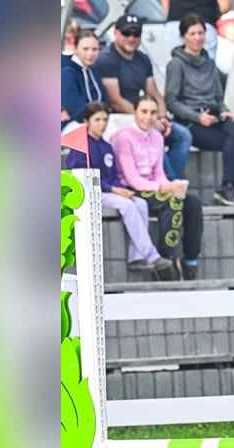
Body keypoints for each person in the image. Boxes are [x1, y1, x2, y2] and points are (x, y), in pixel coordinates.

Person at [65, 102, 176, 280]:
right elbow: (78, 176)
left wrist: (121, 189)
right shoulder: (81, 146)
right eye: (97, 120)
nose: (102, 124)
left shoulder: (106, 146)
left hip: (107, 192)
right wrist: (112, 188)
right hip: (89, 194)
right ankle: (151, 255)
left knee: (140, 203)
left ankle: (136, 256)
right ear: (87, 121)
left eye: (105, 120)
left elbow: (114, 174)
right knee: (127, 206)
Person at [111, 96, 204, 280]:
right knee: (171, 201)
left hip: (153, 187)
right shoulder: (123, 138)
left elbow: (158, 171)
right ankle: (164, 259)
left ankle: (190, 260)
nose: (148, 117)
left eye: (153, 112)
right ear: (135, 112)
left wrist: (170, 185)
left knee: (192, 202)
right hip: (131, 188)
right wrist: (163, 188)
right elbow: (133, 179)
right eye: (144, 111)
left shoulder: (156, 137)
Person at [95, 14, 193, 180]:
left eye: (136, 34)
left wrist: (162, 118)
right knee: (153, 133)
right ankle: (168, 185)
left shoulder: (143, 59)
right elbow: (115, 101)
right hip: (118, 117)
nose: (131, 38)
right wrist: (151, 120)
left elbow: (154, 93)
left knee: (183, 135)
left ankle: (169, 183)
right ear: (116, 33)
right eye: (126, 33)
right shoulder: (107, 59)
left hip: (144, 115)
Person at [165, 13, 234, 206]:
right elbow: (171, 100)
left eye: (201, 33)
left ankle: (227, 187)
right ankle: (228, 189)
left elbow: (218, 97)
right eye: (192, 33)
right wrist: (197, 117)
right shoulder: (176, 64)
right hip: (191, 120)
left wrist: (224, 110)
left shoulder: (209, 63)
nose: (197, 38)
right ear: (183, 37)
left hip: (213, 116)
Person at [62, 30, 107, 133]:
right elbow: (76, 110)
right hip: (73, 125)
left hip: (97, 121)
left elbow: (104, 100)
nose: (90, 54)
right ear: (76, 48)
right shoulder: (67, 73)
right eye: (85, 49)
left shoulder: (93, 70)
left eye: (95, 49)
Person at [162, 0, 233, 63]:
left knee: (177, 67)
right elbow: (225, 6)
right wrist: (214, 14)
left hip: (175, 23)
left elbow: (165, 4)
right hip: (203, 23)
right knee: (206, 70)